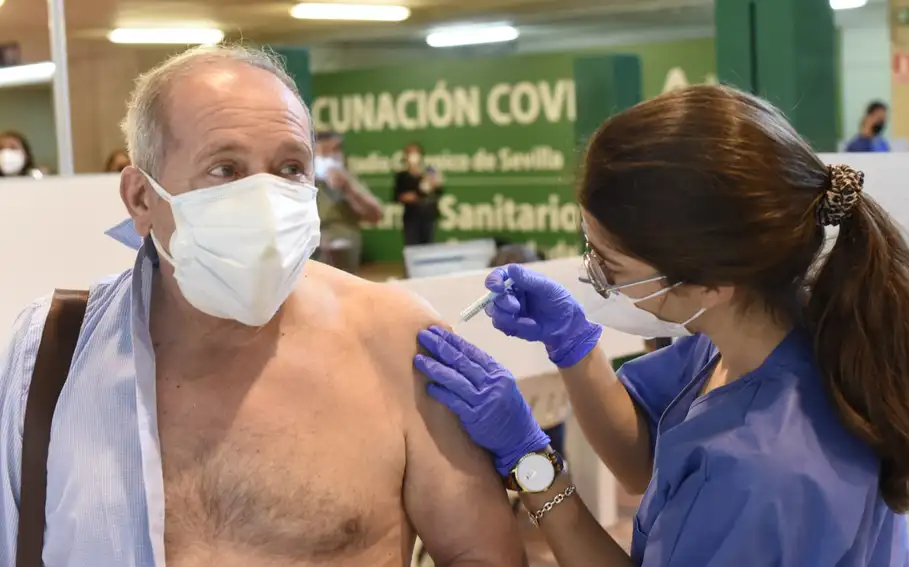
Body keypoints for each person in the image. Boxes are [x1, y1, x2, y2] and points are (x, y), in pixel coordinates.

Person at [0, 45, 526, 567]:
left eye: (291, 167)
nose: (265, 201)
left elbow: (482, 555)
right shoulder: (52, 355)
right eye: (225, 170)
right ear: (141, 199)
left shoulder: (394, 341)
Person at [414, 85, 909, 566]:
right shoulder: (756, 337)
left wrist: (529, 460)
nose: (593, 274)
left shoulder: (762, 469)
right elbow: (644, 465)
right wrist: (571, 343)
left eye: (611, 265)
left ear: (709, 284)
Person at [314, 130, 383, 274]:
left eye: (336, 150)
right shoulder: (301, 183)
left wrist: (348, 187)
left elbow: (375, 215)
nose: (331, 156)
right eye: (325, 151)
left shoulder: (347, 180)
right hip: (315, 260)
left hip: (346, 257)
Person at [394, 142, 443, 246]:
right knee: (412, 246)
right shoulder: (402, 176)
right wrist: (405, 197)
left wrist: (434, 185)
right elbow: (396, 196)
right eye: (409, 153)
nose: (413, 156)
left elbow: (438, 191)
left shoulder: (429, 172)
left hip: (428, 215)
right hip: (411, 217)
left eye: (415, 153)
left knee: (429, 246)